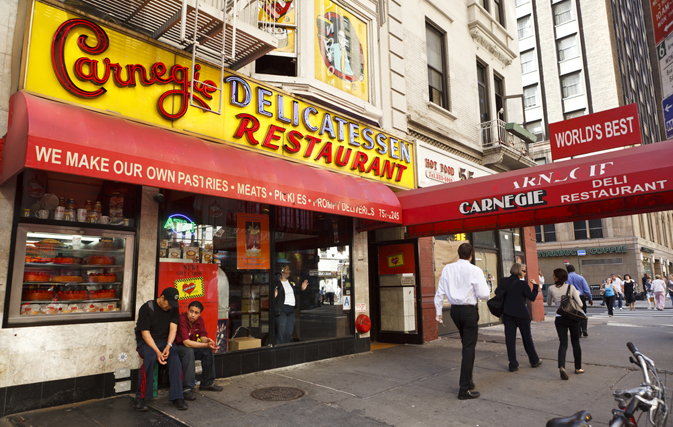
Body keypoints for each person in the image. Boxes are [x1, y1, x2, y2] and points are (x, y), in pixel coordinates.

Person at [434, 243, 490, 400]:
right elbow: (484, 294)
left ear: (459, 254)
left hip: (454, 311)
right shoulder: (475, 270)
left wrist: (439, 313)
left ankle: (469, 381)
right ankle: (464, 388)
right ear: (471, 254)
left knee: (467, 345)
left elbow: (440, 293)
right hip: (468, 311)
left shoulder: (447, 269)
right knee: (468, 348)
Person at [133, 287, 187, 411]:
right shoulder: (147, 308)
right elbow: (145, 333)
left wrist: (168, 346)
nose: (170, 307)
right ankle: (140, 397)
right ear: (162, 297)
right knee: (151, 358)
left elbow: (173, 329)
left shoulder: (173, 308)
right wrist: (157, 351)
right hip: (147, 343)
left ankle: (178, 397)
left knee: (174, 357)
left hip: (165, 342)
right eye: (168, 303)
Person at [494, 263, 542, 372]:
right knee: (527, 338)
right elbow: (532, 297)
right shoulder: (523, 284)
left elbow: (497, 293)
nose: (525, 273)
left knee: (510, 340)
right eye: (524, 271)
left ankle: (513, 364)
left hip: (508, 314)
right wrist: (535, 286)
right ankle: (534, 360)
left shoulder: (503, 281)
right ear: (519, 272)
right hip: (522, 315)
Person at [176, 301, 224, 401]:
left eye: (196, 312)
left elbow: (202, 337)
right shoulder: (182, 319)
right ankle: (187, 388)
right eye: (191, 311)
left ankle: (207, 383)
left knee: (207, 350)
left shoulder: (200, 320)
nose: (192, 315)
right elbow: (186, 343)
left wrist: (208, 342)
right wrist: (205, 344)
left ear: (200, 314)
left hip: (191, 347)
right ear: (187, 310)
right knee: (188, 351)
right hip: (178, 348)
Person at [547, 269, 584, 380]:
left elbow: (548, 303)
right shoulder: (571, 288)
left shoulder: (550, 288)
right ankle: (578, 367)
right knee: (575, 342)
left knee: (563, 343)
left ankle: (562, 367)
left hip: (559, 319)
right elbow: (581, 304)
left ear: (556, 277)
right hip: (572, 318)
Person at [274, 265, 308, 344]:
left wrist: (302, 289)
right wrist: (274, 296)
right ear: (282, 271)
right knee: (280, 333)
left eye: (289, 270)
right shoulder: (276, 283)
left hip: (291, 310)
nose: (289, 271)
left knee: (289, 332)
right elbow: (272, 294)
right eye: (287, 270)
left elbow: (295, 291)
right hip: (282, 309)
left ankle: (284, 348)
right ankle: (279, 350)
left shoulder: (291, 281)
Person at [566, 265, 592, 337]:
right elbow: (586, 289)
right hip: (581, 297)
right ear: (574, 269)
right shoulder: (580, 277)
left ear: (567, 270)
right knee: (583, 313)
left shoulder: (566, 278)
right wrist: (590, 298)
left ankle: (578, 332)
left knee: (574, 314)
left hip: (571, 298)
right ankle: (584, 328)